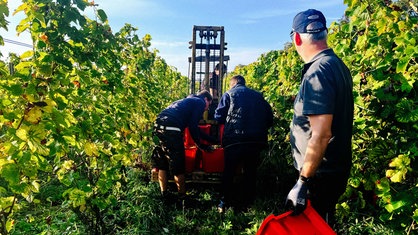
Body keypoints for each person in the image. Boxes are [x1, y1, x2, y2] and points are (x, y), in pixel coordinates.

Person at [285, 9, 354, 226]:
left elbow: (322, 134)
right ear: (324, 33)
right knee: (323, 225)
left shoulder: (318, 71)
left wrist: (303, 181)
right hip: (331, 170)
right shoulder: (337, 65)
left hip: (318, 175)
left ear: (296, 38)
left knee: (313, 227)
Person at [214, 75, 273, 212]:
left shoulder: (229, 94)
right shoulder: (258, 96)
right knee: (250, 172)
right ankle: (247, 204)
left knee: (229, 171)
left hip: (234, 140)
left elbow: (218, 117)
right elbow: (269, 118)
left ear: (232, 84)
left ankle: (224, 203)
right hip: (255, 141)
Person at [151, 90, 215, 204]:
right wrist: (201, 145)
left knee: (163, 164)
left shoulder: (187, 101)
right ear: (206, 99)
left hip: (157, 126)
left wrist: (211, 140)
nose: (206, 109)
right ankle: (182, 198)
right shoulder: (200, 102)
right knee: (178, 165)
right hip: (171, 129)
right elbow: (193, 127)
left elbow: (195, 128)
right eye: (208, 105)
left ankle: (164, 195)